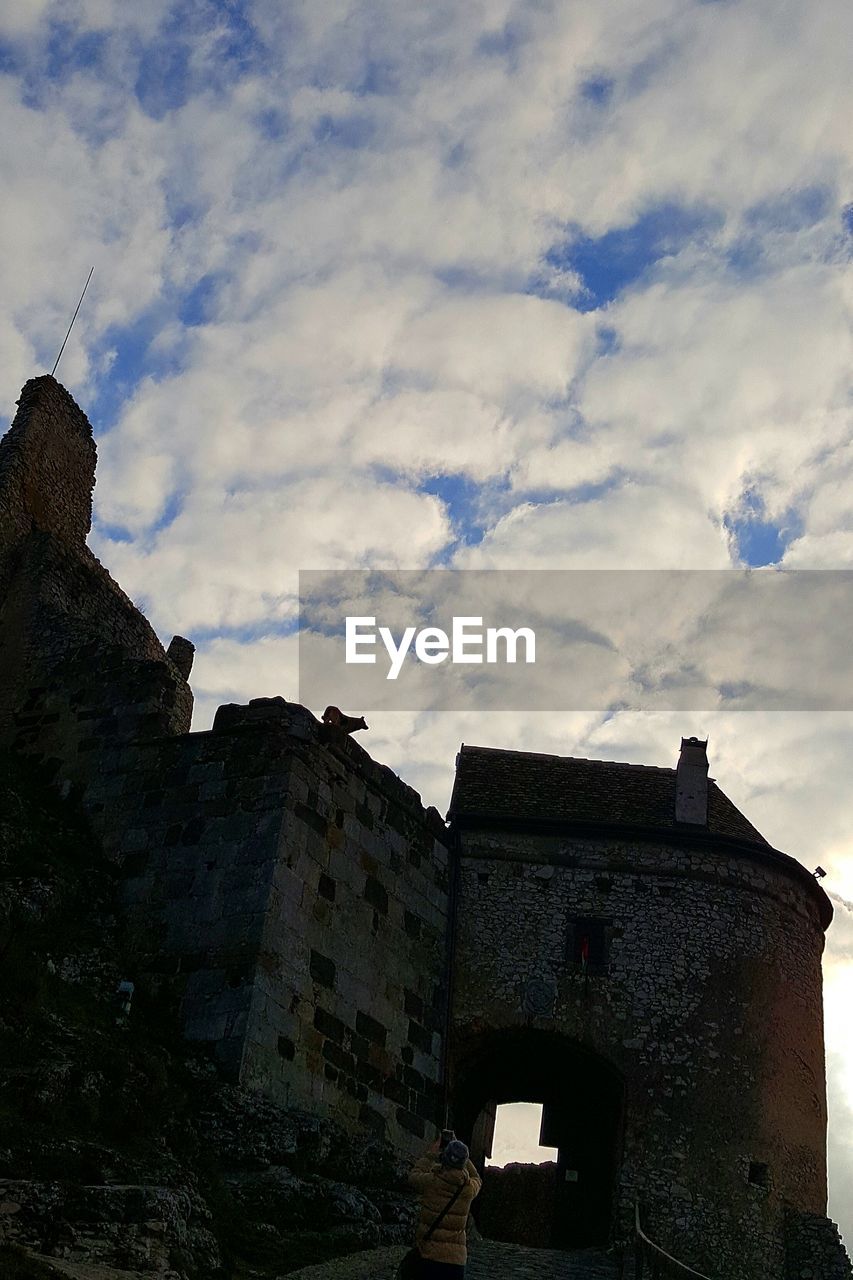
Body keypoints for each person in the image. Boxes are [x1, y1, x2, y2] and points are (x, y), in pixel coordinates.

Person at [407, 1134, 482, 1278]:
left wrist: (432, 1153)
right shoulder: (468, 1189)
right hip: (456, 1261)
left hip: (429, 1255)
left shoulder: (431, 1181)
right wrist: (463, 1157)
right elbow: (477, 1178)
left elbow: (413, 1176)